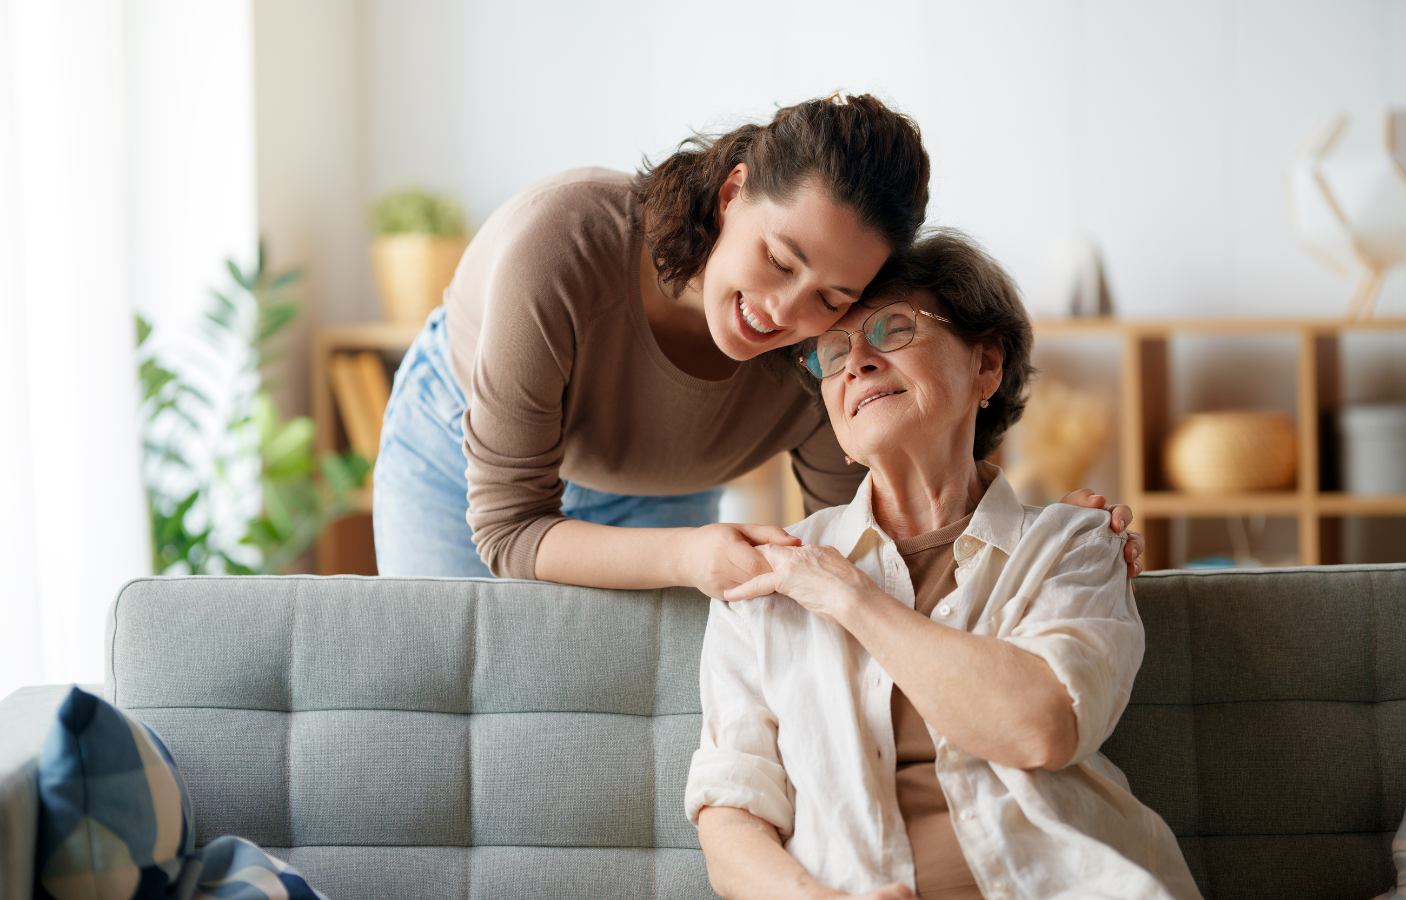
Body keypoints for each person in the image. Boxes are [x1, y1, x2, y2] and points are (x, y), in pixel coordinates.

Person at [372, 93, 1144, 595]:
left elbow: (877, 545)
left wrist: (1045, 542)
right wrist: (685, 557)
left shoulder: (826, 356)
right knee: (442, 704)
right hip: (465, 461)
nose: (781, 311)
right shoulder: (563, 245)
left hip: (660, 494)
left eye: (832, 297)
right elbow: (509, 530)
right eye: (778, 259)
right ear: (733, 191)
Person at [686, 231, 1199, 900]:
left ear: (985, 366)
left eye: (891, 330)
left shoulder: (1072, 545)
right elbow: (731, 812)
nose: (856, 363)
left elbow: (1041, 726)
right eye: (833, 353)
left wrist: (852, 598)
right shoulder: (768, 573)